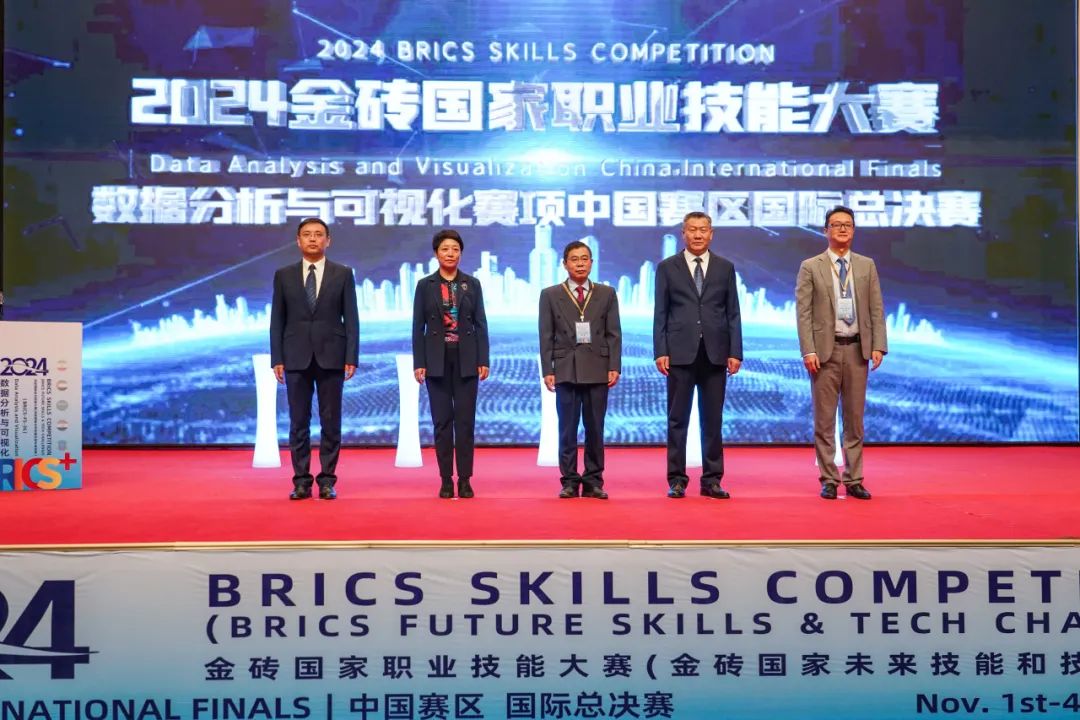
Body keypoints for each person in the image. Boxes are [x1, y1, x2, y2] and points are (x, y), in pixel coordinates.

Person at [796, 205, 887, 500]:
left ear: (854, 230)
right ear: (826, 231)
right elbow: (803, 313)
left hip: (858, 350)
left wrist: (878, 345)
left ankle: (854, 478)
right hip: (825, 352)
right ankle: (829, 479)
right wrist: (808, 350)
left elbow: (876, 308)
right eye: (836, 224)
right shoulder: (811, 266)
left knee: (855, 420)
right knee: (824, 421)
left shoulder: (866, 265)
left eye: (848, 224)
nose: (843, 229)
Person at [653, 211, 742, 499]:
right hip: (679, 353)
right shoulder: (667, 267)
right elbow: (661, 313)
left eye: (703, 229)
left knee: (712, 420)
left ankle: (712, 480)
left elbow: (733, 313)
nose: (698, 234)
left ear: (711, 234)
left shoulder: (725, 267)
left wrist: (735, 351)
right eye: (692, 229)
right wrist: (661, 351)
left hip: (716, 353)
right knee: (677, 419)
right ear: (684, 234)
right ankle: (677, 479)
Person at [270, 217, 359, 500]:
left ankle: (327, 480)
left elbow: (352, 318)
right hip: (295, 357)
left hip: (332, 355)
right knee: (298, 422)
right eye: (307, 234)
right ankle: (301, 481)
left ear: (327, 240)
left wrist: (351, 356)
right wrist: (277, 357)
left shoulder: (342, 273)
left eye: (318, 234)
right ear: (298, 241)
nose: (312, 239)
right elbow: (277, 320)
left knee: (331, 422)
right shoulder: (283, 275)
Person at [539, 240, 622, 499]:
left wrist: (614, 365)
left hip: (598, 367)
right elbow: (545, 335)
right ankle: (569, 481)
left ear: (592, 263)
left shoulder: (606, 293)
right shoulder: (550, 294)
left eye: (584, 259)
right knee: (567, 428)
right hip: (566, 368)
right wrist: (548, 369)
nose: (580, 264)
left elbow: (614, 334)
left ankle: (594, 481)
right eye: (574, 259)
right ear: (565, 264)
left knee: (595, 428)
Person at [412, 229, 490, 499]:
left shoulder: (472, 284)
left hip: (467, 359)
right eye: (445, 249)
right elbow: (417, 326)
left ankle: (465, 479)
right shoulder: (425, 285)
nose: (450, 254)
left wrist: (483, 359)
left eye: (455, 249)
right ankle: (446, 479)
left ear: (461, 254)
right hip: (436, 360)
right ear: (436, 253)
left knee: (465, 423)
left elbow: (481, 324)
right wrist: (419, 362)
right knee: (442, 423)